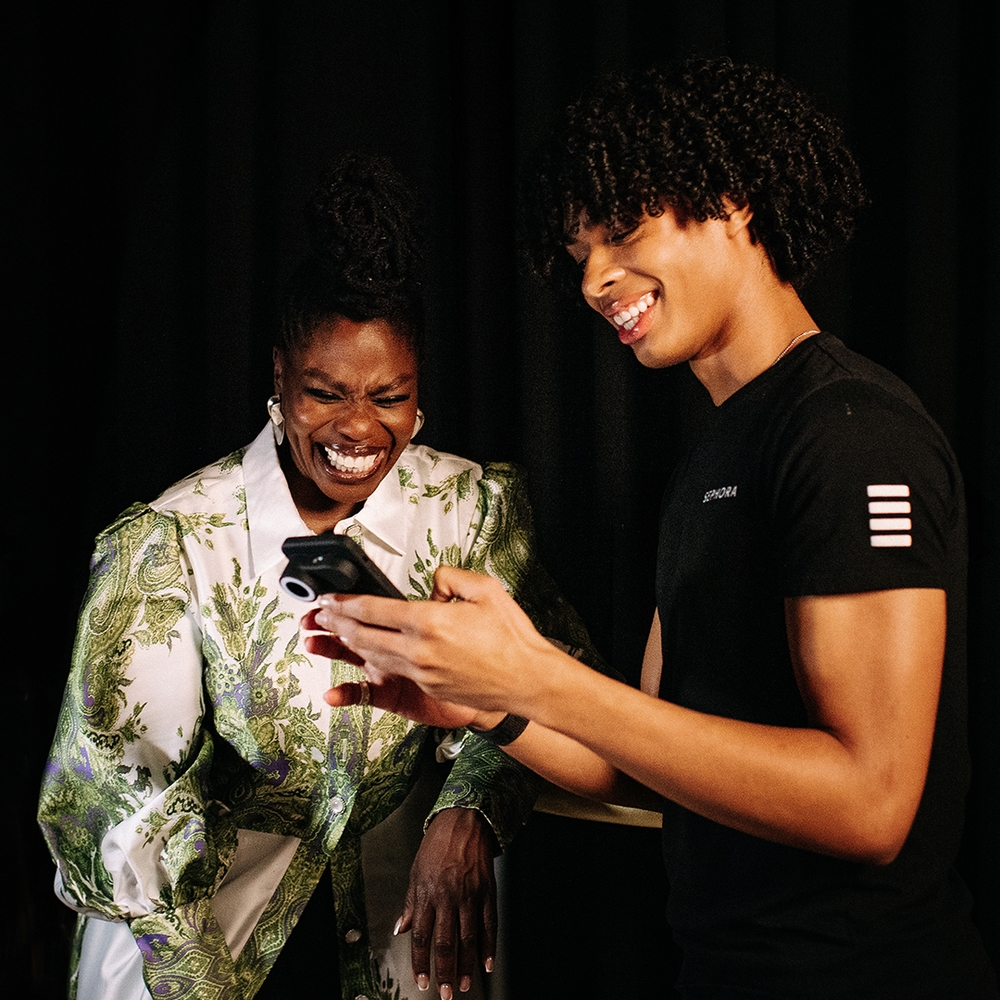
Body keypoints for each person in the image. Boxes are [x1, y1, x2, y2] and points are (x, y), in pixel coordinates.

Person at [308, 59, 1000, 998]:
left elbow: (871, 803)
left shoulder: (849, 433)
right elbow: (652, 764)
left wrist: (542, 675)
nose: (594, 278)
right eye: (578, 249)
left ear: (736, 201)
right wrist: (496, 709)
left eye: (623, 232)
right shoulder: (712, 463)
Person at [37, 152, 604, 1000]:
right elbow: (113, 806)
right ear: (277, 380)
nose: (358, 428)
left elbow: (562, 685)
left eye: (389, 395)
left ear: (419, 394)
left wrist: (467, 812)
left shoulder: (469, 510)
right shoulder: (174, 543)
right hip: (194, 949)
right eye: (324, 392)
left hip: (394, 943)